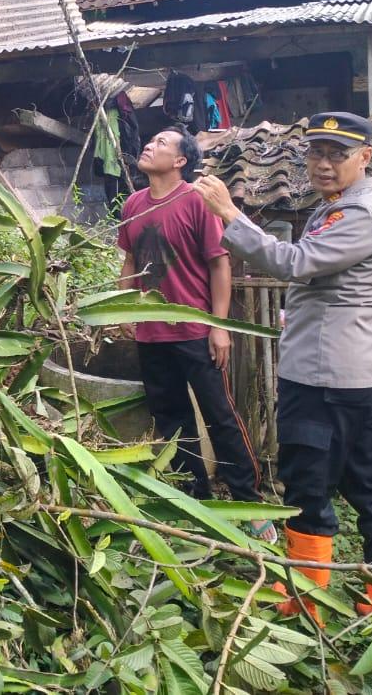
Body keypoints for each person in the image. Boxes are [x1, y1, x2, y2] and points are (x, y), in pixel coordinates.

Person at [194, 111, 372, 623]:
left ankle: (345, 599)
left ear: (366, 157)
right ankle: (347, 599)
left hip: (331, 380)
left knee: (334, 484)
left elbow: (294, 263)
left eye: (338, 155)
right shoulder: (333, 209)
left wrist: (230, 214)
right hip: (347, 371)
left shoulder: (360, 213)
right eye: (316, 152)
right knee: (347, 482)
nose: (324, 164)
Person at [117, 127, 275, 542]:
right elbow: (131, 260)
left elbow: (219, 265)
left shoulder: (196, 202)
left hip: (194, 329)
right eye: (151, 142)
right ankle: (194, 494)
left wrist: (218, 328)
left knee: (220, 415)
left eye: (161, 143)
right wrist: (121, 308)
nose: (150, 145)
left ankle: (250, 502)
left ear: (181, 161)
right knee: (170, 418)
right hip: (151, 333)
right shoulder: (133, 204)